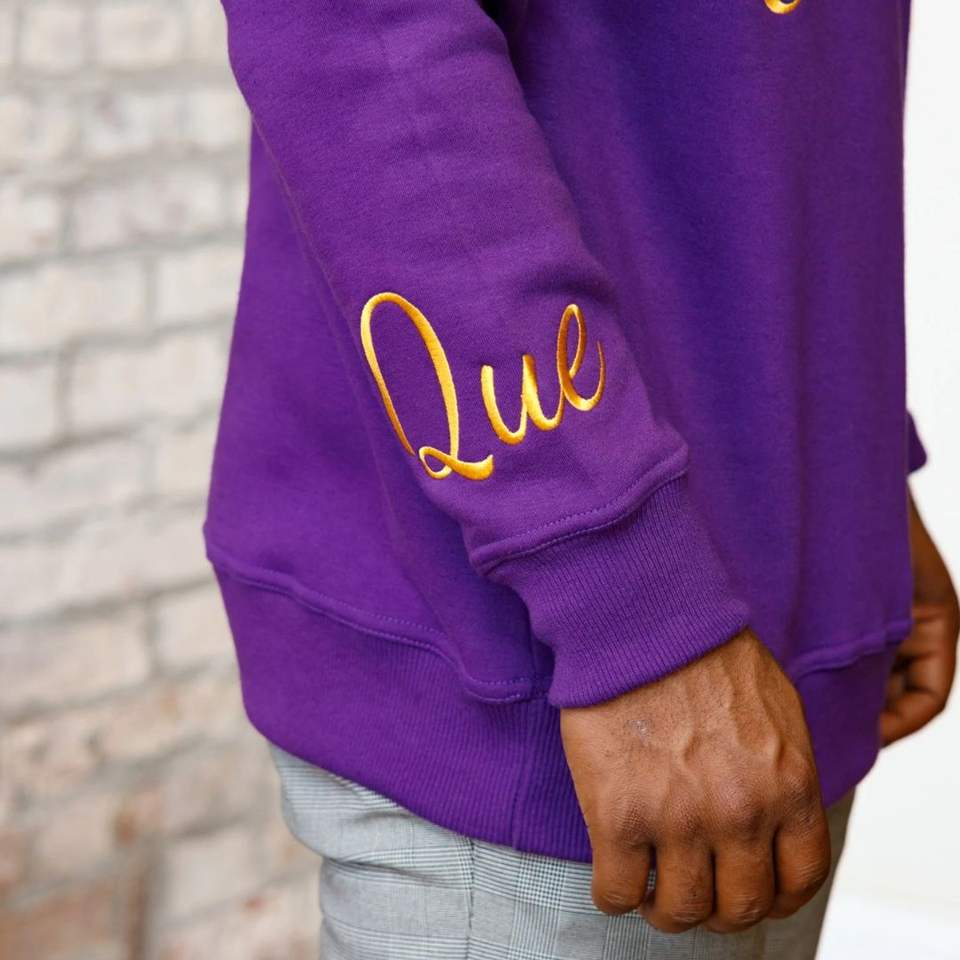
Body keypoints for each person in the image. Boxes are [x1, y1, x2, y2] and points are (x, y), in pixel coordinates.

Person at [206, 1, 959, 957]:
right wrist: (629, 603)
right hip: (557, 673)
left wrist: (861, 479)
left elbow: (765, 89)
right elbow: (362, 31)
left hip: (756, 641)